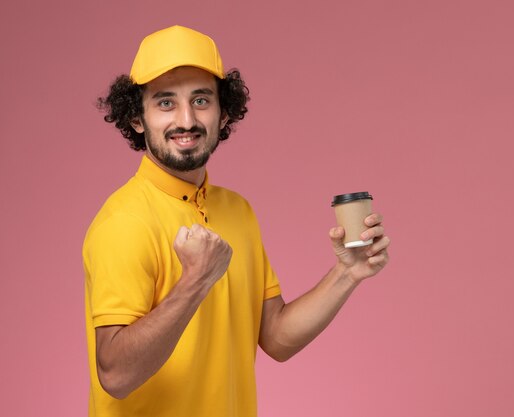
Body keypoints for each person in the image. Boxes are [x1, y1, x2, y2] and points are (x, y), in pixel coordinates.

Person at [83, 25, 390, 417]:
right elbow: (116, 374)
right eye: (165, 103)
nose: (186, 119)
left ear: (223, 112)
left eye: (201, 99)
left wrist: (347, 273)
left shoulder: (237, 211)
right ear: (136, 118)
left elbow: (277, 337)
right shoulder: (123, 222)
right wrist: (195, 281)